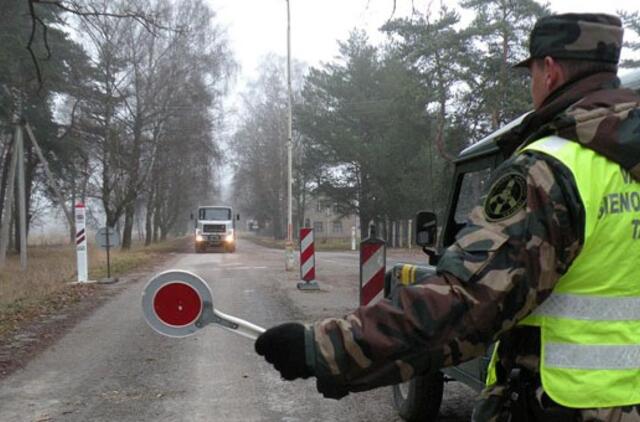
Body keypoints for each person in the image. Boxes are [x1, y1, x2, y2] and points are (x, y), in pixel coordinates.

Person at [256, 13, 640, 421]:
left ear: (549, 70)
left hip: (562, 407)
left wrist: (326, 349)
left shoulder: (551, 171)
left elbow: (466, 303)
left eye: (530, 74)